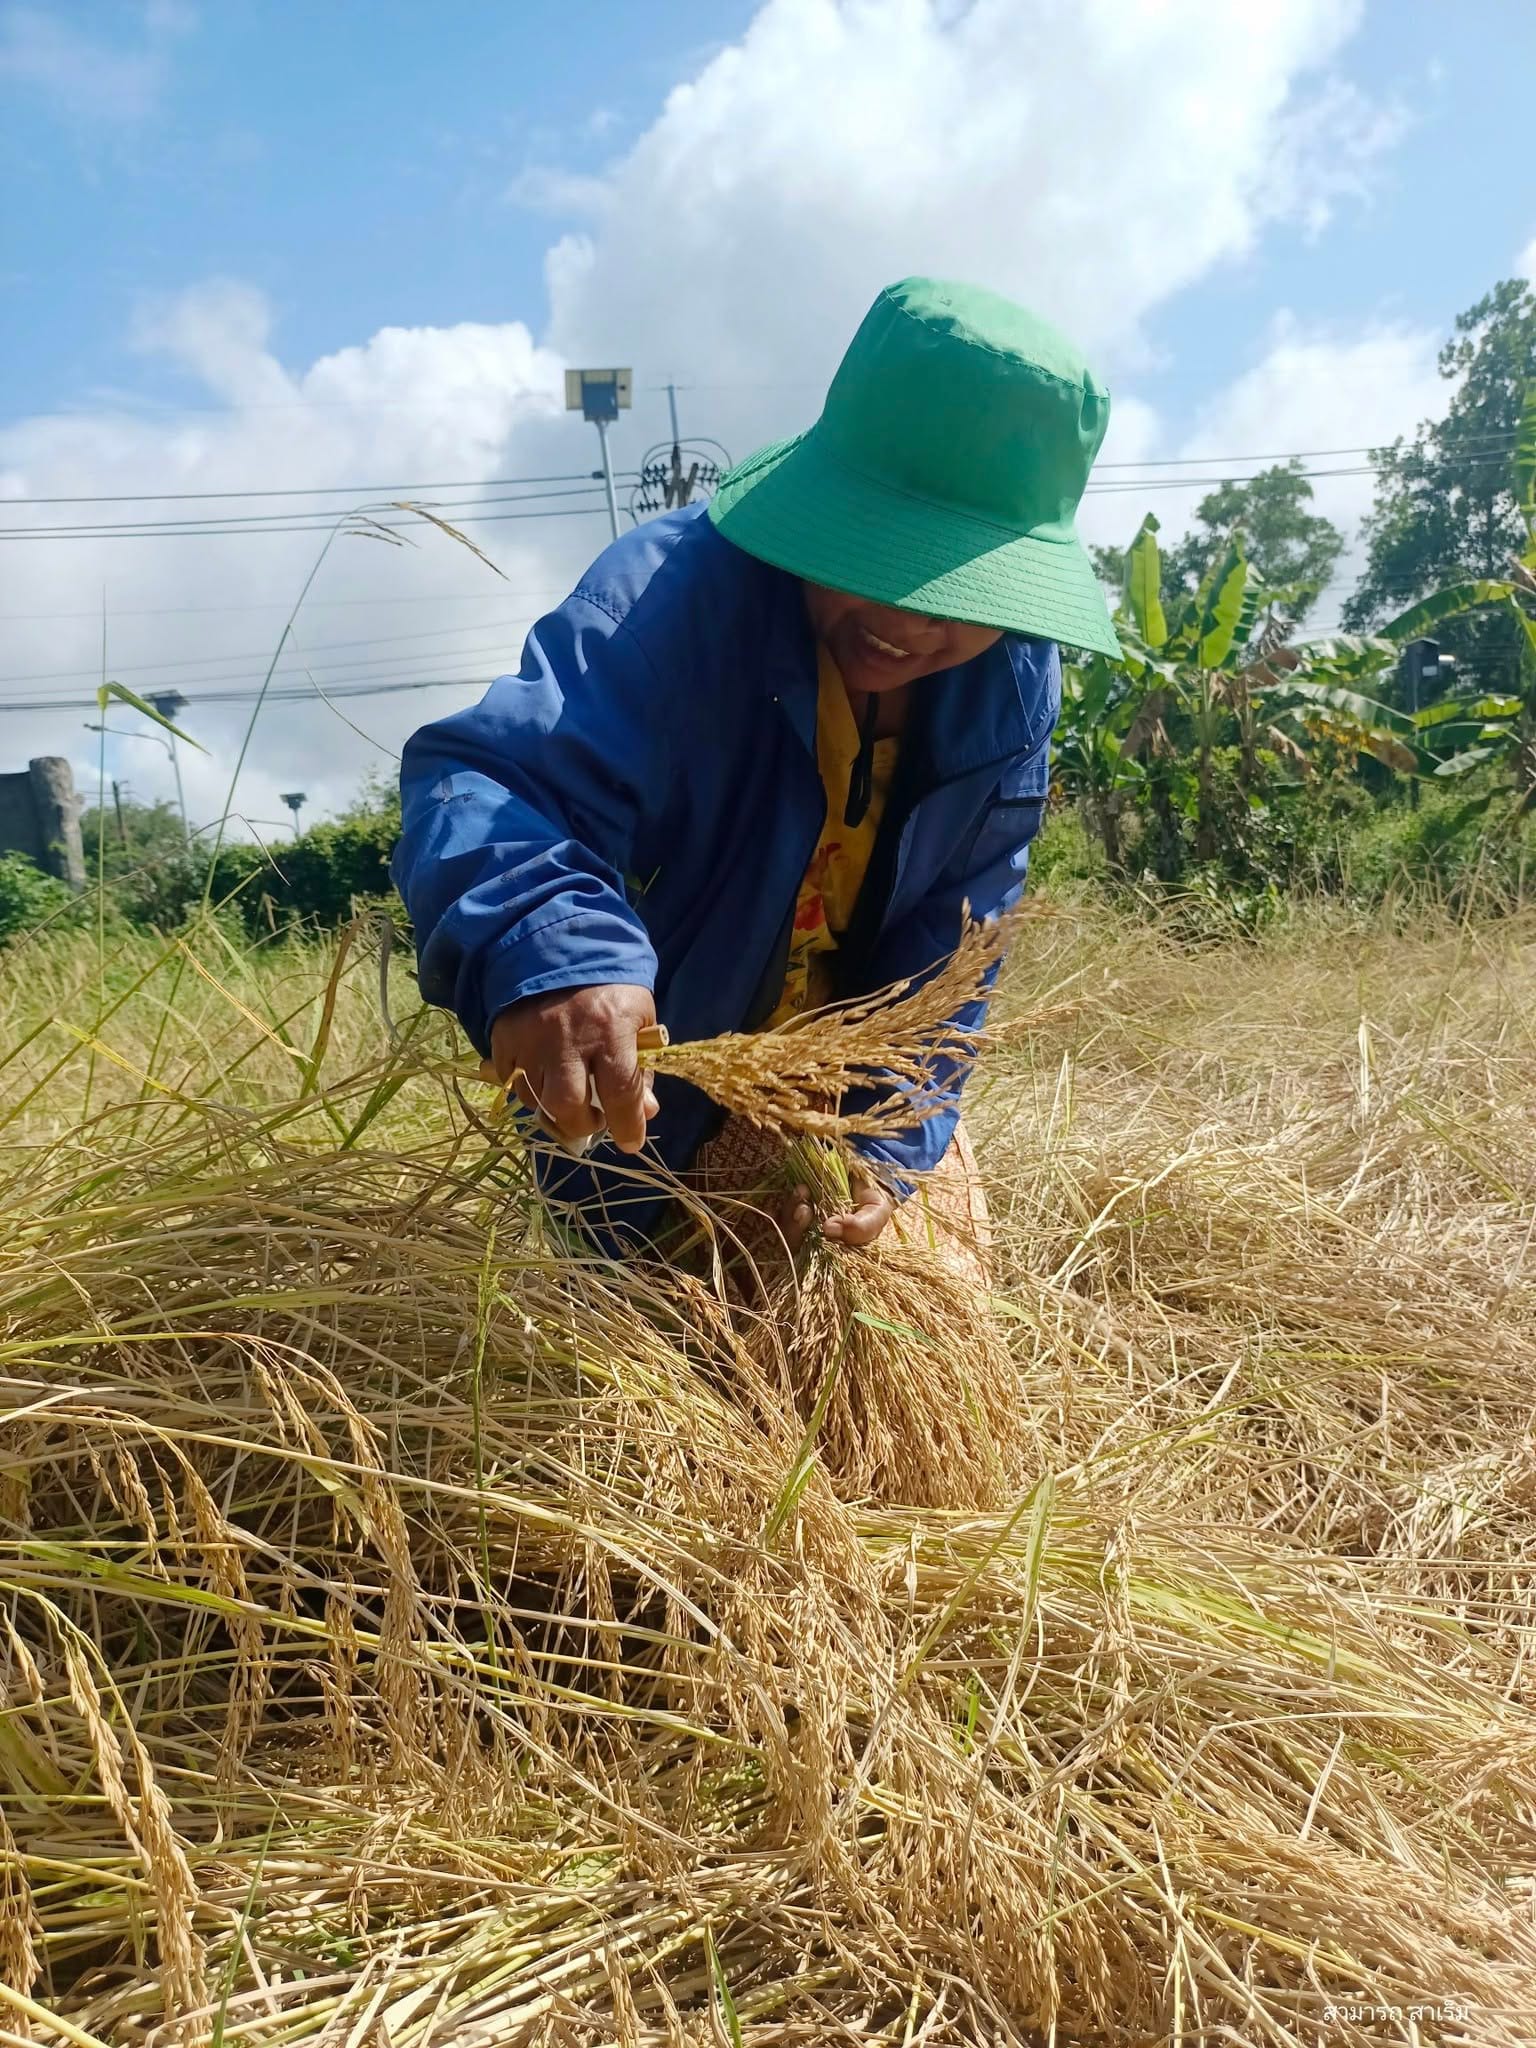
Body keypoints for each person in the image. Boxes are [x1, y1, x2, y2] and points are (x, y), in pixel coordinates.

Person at [392, 275, 1119, 1260]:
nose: (908, 621)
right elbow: (493, 785)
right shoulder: (669, 603)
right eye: (882, 551)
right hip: (659, 1103)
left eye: (960, 582)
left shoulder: (1011, 685)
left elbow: (955, 934)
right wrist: (552, 949)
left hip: (837, 1086)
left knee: (915, 1288)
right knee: (650, 1369)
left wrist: (895, 1135)